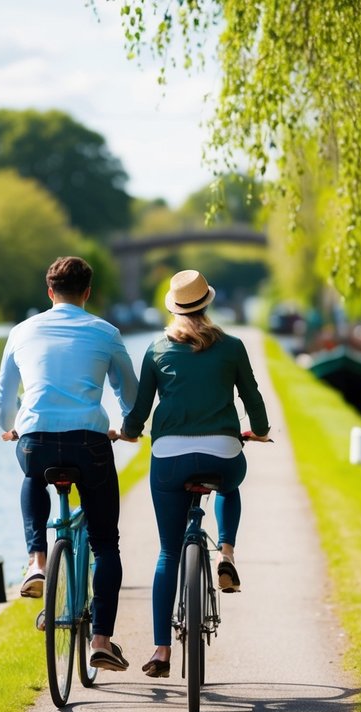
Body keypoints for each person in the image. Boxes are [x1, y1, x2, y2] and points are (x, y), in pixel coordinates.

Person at [118, 269, 271, 678]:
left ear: (174, 306)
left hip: (169, 457)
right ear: (207, 303)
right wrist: (259, 430)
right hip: (222, 452)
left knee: (169, 552)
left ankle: (161, 651)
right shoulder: (233, 346)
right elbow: (252, 396)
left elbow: (140, 410)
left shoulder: (155, 349)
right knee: (230, 482)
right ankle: (226, 553)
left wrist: (129, 434)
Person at [0, 255, 139, 672]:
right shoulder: (105, 332)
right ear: (88, 293)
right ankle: (101, 641)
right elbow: (129, 389)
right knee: (106, 544)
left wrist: (12, 426)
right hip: (89, 443)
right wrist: (128, 428)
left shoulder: (22, 331)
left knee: (31, 473)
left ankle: (37, 559)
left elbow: (2, 397)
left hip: (35, 440)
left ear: (49, 292)